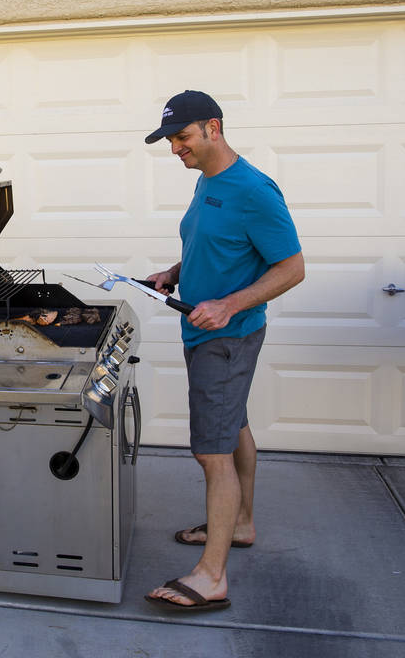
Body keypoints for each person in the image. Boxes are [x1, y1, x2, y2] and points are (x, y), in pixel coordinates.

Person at [142, 90, 304, 612]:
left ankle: (212, 576)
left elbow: (291, 268)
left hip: (225, 339)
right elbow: (208, 243)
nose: (174, 149)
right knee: (232, 429)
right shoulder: (207, 180)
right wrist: (175, 272)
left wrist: (230, 305)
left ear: (213, 127)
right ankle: (240, 524)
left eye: (182, 137)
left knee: (211, 452)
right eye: (170, 139)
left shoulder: (254, 190)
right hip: (204, 329)